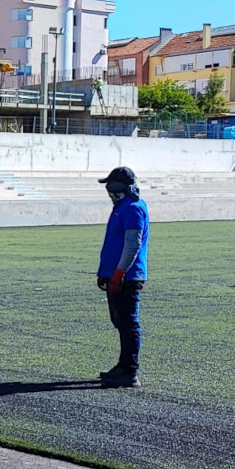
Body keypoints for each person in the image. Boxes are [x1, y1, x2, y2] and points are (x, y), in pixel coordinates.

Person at [96, 166, 149, 388]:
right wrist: (105, 273)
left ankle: (130, 371)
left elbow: (132, 245)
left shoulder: (133, 208)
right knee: (120, 321)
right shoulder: (123, 206)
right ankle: (123, 365)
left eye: (112, 185)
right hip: (117, 275)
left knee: (128, 323)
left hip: (127, 276)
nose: (109, 190)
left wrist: (118, 274)